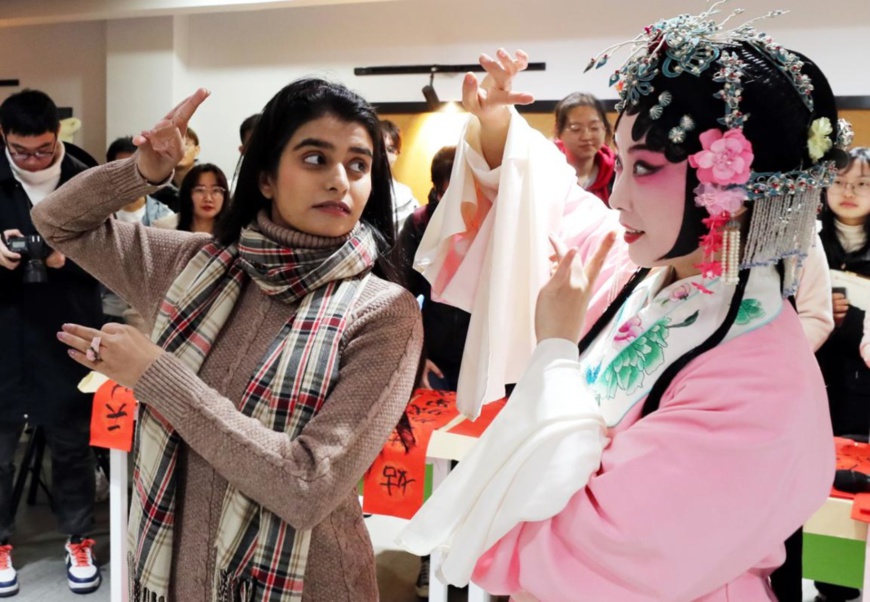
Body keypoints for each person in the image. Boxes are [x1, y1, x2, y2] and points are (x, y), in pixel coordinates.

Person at [400, 8, 843, 600]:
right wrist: (499, 129)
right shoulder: (646, 275)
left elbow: (609, 551)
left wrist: (555, 352)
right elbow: (554, 208)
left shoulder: (763, 378)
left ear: (731, 189)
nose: (617, 195)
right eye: (622, 161)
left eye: (646, 168)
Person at [32, 79, 422, 601]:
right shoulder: (194, 264)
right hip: (174, 576)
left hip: (306, 586)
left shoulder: (383, 311)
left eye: (358, 165)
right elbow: (57, 222)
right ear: (265, 178)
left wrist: (155, 376)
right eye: (315, 159)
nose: (339, 181)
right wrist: (142, 172)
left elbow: (307, 486)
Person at [0, 89, 103, 596]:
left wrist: (68, 259)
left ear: (58, 135)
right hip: (4, 334)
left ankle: (78, 539)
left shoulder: (86, 179)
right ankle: (0, 545)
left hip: (69, 334)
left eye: (43, 150)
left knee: (72, 448)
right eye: (20, 151)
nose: (33, 161)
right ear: (3, 137)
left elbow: (119, 258)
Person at [814, 146, 870, 602]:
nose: (849, 191)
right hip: (814, 379)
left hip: (863, 387)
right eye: (840, 181)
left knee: (852, 486)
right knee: (818, 483)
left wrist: (854, 321)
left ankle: (843, 585)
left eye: (863, 184)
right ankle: (826, 585)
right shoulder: (807, 241)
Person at [397, 145, 468, 392]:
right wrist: (417, 356)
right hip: (433, 352)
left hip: (481, 358)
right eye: (449, 193)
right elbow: (401, 294)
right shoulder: (421, 222)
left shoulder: (493, 222)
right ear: (438, 191)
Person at [553, 92, 616, 204]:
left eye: (594, 127)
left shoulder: (617, 173)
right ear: (559, 132)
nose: (586, 136)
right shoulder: (545, 169)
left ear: (605, 129)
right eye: (576, 129)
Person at [153, 163, 229, 234]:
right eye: (200, 190)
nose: (208, 199)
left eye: (215, 190)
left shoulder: (233, 233)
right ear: (187, 193)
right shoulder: (163, 229)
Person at [380, 119, 420, 229]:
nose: (384, 155)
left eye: (390, 150)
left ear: (397, 154)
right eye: (380, 148)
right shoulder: (356, 191)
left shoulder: (406, 198)